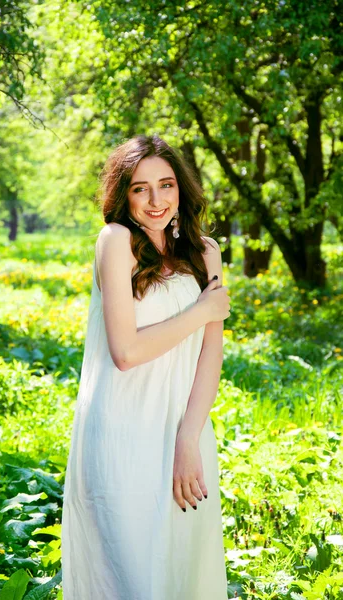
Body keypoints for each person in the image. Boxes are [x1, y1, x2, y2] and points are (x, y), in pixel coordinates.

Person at [61, 134, 231, 599]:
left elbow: (209, 357)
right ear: (123, 194)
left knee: (182, 570)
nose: (157, 201)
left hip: (186, 432)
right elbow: (126, 352)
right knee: (130, 576)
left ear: (182, 189)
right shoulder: (115, 242)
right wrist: (202, 311)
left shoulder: (206, 252)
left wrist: (188, 438)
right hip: (122, 430)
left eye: (167, 185)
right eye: (140, 188)